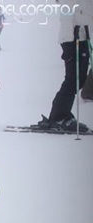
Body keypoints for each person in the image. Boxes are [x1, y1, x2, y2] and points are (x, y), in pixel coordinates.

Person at [37, 0, 92, 131]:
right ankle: (59, 117)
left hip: (84, 38)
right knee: (73, 79)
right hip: (74, 39)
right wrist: (69, 42)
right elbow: (66, 17)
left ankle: (61, 115)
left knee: (79, 79)